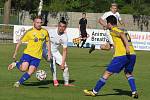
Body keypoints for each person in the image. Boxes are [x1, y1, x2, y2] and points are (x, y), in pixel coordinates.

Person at [83, 15, 138, 99]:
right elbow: (114, 43)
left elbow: (122, 35)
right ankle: (134, 92)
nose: (106, 25)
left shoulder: (113, 30)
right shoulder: (122, 29)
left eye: (106, 23)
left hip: (122, 55)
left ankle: (94, 92)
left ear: (109, 23)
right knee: (128, 73)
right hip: (132, 54)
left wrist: (126, 47)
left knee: (107, 73)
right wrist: (102, 47)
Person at [8, 16, 51, 87]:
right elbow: (19, 42)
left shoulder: (45, 32)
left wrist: (49, 53)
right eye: (37, 22)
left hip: (37, 56)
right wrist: (15, 52)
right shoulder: (29, 32)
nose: (39, 24)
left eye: (40, 22)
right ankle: (16, 63)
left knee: (30, 72)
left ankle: (18, 82)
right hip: (28, 54)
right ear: (34, 23)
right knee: (23, 69)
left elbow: (48, 41)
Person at [43, 21, 74, 87]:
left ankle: (66, 83)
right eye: (60, 26)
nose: (61, 28)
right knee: (52, 60)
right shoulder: (50, 32)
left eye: (63, 27)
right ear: (58, 26)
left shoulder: (65, 37)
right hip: (45, 50)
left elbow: (64, 51)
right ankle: (55, 80)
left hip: (55, 51)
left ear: (65, 28)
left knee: (65, 67)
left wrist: (62, 63)